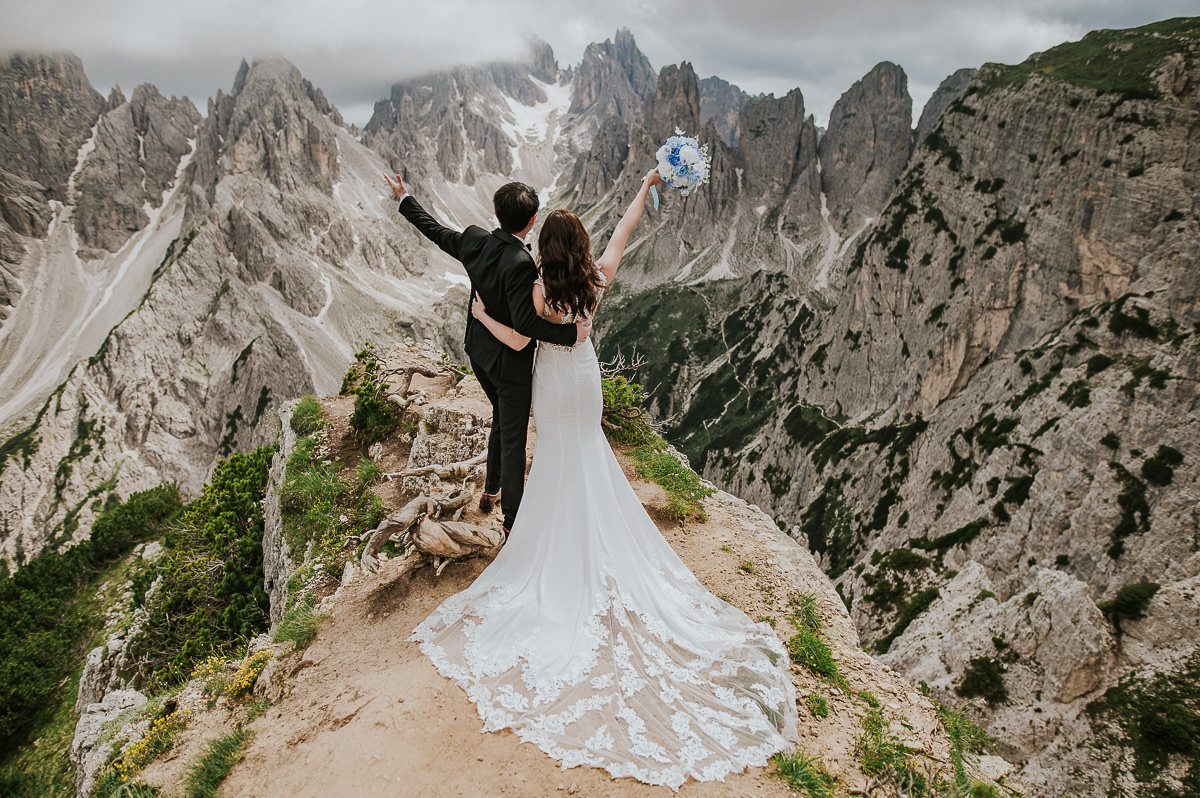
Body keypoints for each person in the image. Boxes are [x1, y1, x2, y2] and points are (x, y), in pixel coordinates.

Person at [411, 168, 798, 790]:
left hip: (551, 382)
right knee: (589, 453)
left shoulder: (540, 290)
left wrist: (481, 317)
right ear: (582, 250)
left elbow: (519, 335)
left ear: (544, 249)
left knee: (558, 456)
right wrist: (644, 189)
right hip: (585, 379)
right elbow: (624, 230)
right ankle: (600, 546)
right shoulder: (595, 280)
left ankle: (548, 546)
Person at [385, 174, 590, 534]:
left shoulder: (474, 240)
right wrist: (570, 333)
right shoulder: (521, 264)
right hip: (510, 364)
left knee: (500, 417)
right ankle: (513, 522)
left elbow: (435, 231)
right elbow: (527, 325)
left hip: (478, 352)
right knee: (514, 438)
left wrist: (406, 199)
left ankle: (491, 491)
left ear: (495, 212)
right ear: (532, 221)